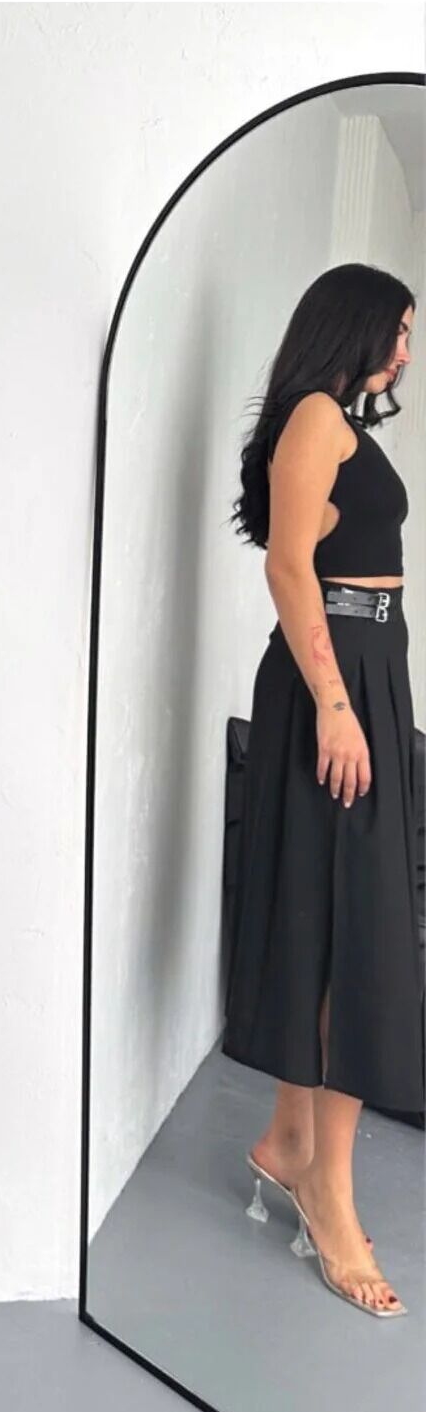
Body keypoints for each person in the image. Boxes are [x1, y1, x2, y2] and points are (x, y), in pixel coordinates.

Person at [223, 262, 420, 1317]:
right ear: (355, 326)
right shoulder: (313, 417)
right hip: (333, 677)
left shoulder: (337, 421)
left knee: (339, 918)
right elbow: (289, 566)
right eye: (399, 329)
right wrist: (337, 704)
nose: (406, 351)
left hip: (367, 671)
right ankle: (328, 1193)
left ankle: (289, 1141)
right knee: (356, 934)